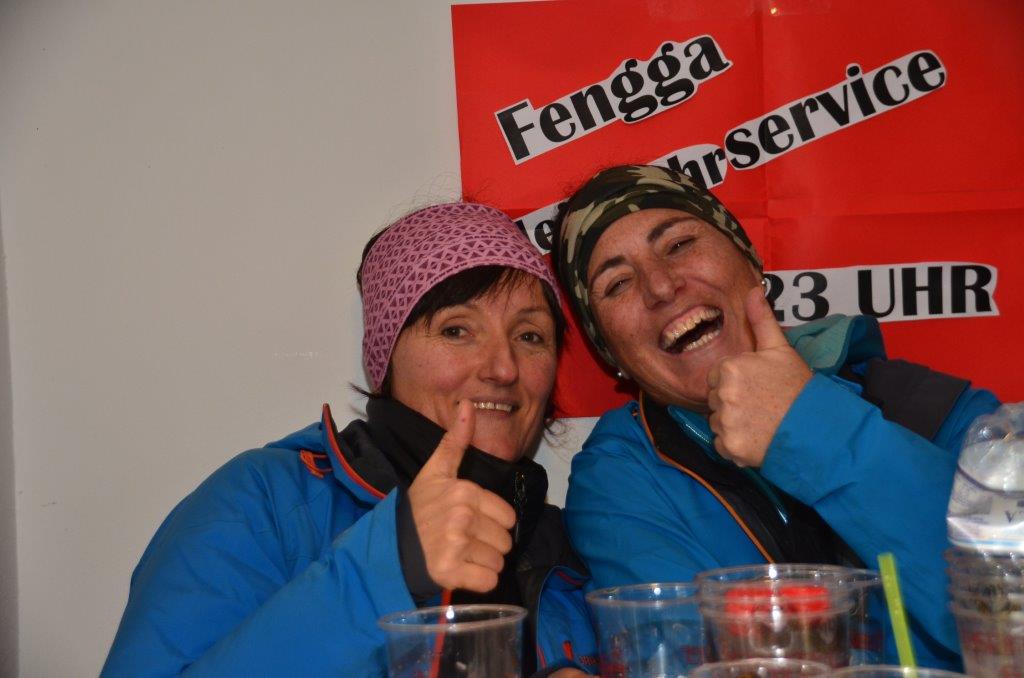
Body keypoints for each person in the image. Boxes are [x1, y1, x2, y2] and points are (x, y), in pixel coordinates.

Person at [102, 202, 596, 676]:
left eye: (530, 336)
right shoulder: (265, 503)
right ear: (387, 359)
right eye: (456, 330)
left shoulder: (568, 551)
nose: (504, 368)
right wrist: (386, 568)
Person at [551, 164, 1001, 670]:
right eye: (617, 284)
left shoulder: (932, 408)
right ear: (609, 352)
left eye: (679, 244)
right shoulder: (620, 478)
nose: (660, 286)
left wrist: (809, 427)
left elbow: (1009, 611)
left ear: (749, 260)